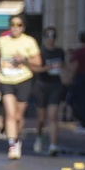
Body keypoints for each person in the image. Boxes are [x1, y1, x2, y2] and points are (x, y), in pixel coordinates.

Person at [0, 16, 43, 160]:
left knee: (17, 116)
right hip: (6, 80)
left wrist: (24, 59)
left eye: (19, 25)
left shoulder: (29, 41)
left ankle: (17, 138)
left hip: (23, 79)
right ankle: (11, 144)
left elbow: (38, 62)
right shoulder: (2, 40)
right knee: (9, 114)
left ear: (23, 27)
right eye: (13, 24)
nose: (15, 27)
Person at [34, 27, 66, 155]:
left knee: (52, 116)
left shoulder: (59, 51)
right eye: (47, 36)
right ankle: (39, 137)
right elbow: (35, 67)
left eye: (53, 36)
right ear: (44, 38)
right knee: (41, 118)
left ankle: (53, 146)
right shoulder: (40, 52)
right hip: (42, 85)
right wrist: (44, 68)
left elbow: (64, 65)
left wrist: (61, 68)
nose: (50, 39)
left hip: (55, 84)